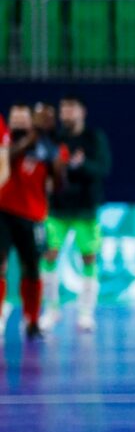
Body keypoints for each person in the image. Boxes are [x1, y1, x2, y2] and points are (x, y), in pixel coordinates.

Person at [39, 95, 110, 334]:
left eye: (72, 108)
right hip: (57, 208)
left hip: (85, 209)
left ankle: (86, 313)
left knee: (89, 258)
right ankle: (51, 309)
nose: (67, 112)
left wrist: (82, 164)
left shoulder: (93, 138)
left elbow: (103, 168)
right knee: (49, 255)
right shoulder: (54, 139)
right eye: (63, 108)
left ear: (82, 111)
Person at [1, 103, 61, 339]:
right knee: (0, 264)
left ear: (31, 120)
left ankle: (32, 321)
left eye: (22, 118)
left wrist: (54, 156)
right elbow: (10, 155)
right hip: (3, 212)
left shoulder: (47, 146)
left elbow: (58, 183)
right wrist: (33, 136)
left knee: (33, 269)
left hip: (34, 216)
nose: (17, 122)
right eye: (13, 117)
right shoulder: (6, 143)